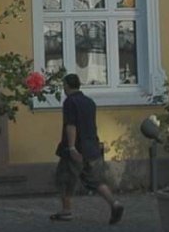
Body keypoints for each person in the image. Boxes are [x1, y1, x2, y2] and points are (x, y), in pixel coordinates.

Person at [51, 73, 122, 223]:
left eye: (64, 85)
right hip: (92, 148)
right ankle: (114, 203)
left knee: (65, 179)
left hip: (76, 148)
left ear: (67, 86)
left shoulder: (70, 102)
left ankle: (66, 211)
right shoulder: (89, 102)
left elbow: (71, 125)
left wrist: (71, 148)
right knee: (95, 181)